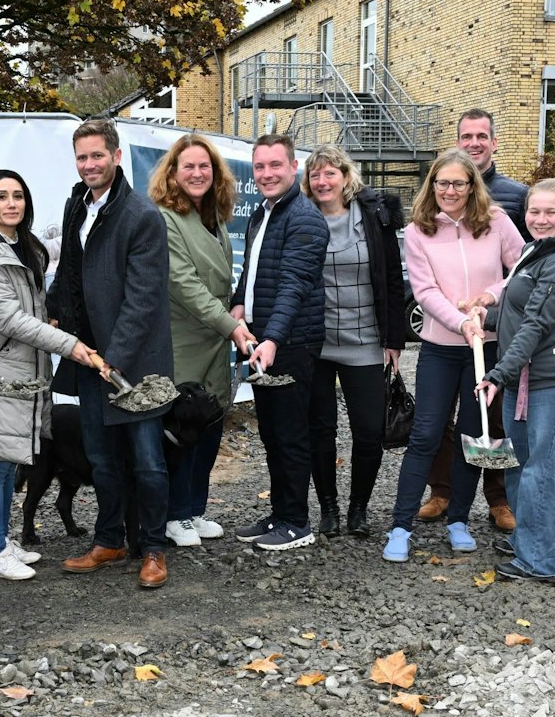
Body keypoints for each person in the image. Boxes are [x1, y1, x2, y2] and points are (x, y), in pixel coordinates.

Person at [382, 149, 524, 563]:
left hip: (489, 347)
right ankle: (401, 526)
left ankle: (458, 520)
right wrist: (460, 322)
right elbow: (424, 292)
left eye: (458, 183)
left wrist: (489, 299)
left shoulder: (496, 221)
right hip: (441, 348)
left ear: (471, 185)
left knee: (471, 434)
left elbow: (519, 269)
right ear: (432, 186)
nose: (449, 190)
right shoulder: (418, 231)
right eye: (442, 182)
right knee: (426, 434)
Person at [49, 118, 174, 588]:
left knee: (147, 461)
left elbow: (144, 299)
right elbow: (70, 273)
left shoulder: (142, 215)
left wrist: (112, 358)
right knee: (101, 460)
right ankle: (110, 539)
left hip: (135, 365)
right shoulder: (75, 205)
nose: (89, 165)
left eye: (97, 155)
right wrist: (59, 316)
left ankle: (154, 548)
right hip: (89, 358)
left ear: (117, 157)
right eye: (82, 157)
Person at [0, 169, 99, 579]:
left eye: (18, 196)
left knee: (11, 460)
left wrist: (52, 323)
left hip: (26, 371)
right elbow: (5, 316)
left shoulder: (26, 247)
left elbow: (34, 312)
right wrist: (70, 345)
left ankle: (3, 541)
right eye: (1, 196)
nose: (11, 203)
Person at [463, 178, 555, 582]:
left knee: (546, 469)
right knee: (519, 464)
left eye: (550, 212)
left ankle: (543, 561)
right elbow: (518, 313)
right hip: (525, 376)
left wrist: (497, 373)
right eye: (534, 211)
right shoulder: (535, 251)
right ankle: (529, 539)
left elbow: (538, 323)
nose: (540, 219)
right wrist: (485, 319)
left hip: (553, 380)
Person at [421, 109, 523, 528]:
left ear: (494, 142)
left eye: (483, 135)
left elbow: (523, 266)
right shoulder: (440, 198)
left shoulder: (515, 198)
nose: (475, 142)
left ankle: (499, 498)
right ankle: (442, 492)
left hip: (495, 331)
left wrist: (494, 301)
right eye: (467, 135)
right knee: (442, 420)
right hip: (447, 334)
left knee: (491, 416)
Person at [301, 144, 407, 538]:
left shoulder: (374, 217)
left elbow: (393, 279)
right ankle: (328, 508)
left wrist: (395, 337)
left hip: (364, 340)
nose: (323, 180)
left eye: (331, 172)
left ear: (346, 177)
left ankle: (358, 509)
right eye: (315, 174)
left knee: (368, 430)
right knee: (320, 429)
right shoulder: (302, 218)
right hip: (316, 342)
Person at [229, 133, 328, 551]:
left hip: (288, 345)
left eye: (275, 165)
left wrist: (272, 338)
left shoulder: (304, 219)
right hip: (261, 343)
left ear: (294, 168)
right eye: (260, 167)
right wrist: (237, 305)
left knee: (289, 434)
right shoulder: (262, 213)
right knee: (271, 432)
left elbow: (294, 285)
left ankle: (296, 522)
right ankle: (279, 514)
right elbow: (252, 272)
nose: (267, 174)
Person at [151, 133, 243, 548]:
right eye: (188, 165)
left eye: (204, 166)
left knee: (210, 426)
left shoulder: (215, 217)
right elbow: (184, 284)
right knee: (183, 430)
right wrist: (232, 326)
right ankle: (174, 515)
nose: (197, 173)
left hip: (216, 340)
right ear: (172, 172)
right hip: (184, 341)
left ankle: (194, 509)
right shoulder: (165, 218)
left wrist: (234, 314)